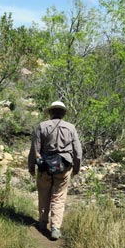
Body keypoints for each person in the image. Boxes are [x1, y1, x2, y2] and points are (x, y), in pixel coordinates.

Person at [28, 101, 82, 240]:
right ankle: (55, 228)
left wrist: (31, 166)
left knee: (44, 193)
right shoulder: (71, 128)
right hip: (64, 167)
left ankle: (42, 222)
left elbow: (35, 149)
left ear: (51, 112)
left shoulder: (42, 126)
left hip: (45, 167)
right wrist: (76, 168)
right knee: (59, 196)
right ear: (63, 113)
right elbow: (78, 151)